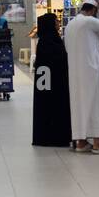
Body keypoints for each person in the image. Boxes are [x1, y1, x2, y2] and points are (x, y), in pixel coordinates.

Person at [64, 0, 99, 154]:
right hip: (91, 71)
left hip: (75, 72)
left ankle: (80, 142)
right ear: (92, 10)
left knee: (79, 105)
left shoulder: (71, 25)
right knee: (96, 104)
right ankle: (98, 144)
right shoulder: (88, 21)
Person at [31, 12, 71, 147]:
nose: (58, 24)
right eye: (56, 22)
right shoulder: (51, 41)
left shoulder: (44, 41)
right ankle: (56, 137)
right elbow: (58, 61)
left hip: (46, 85)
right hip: (54, 85)